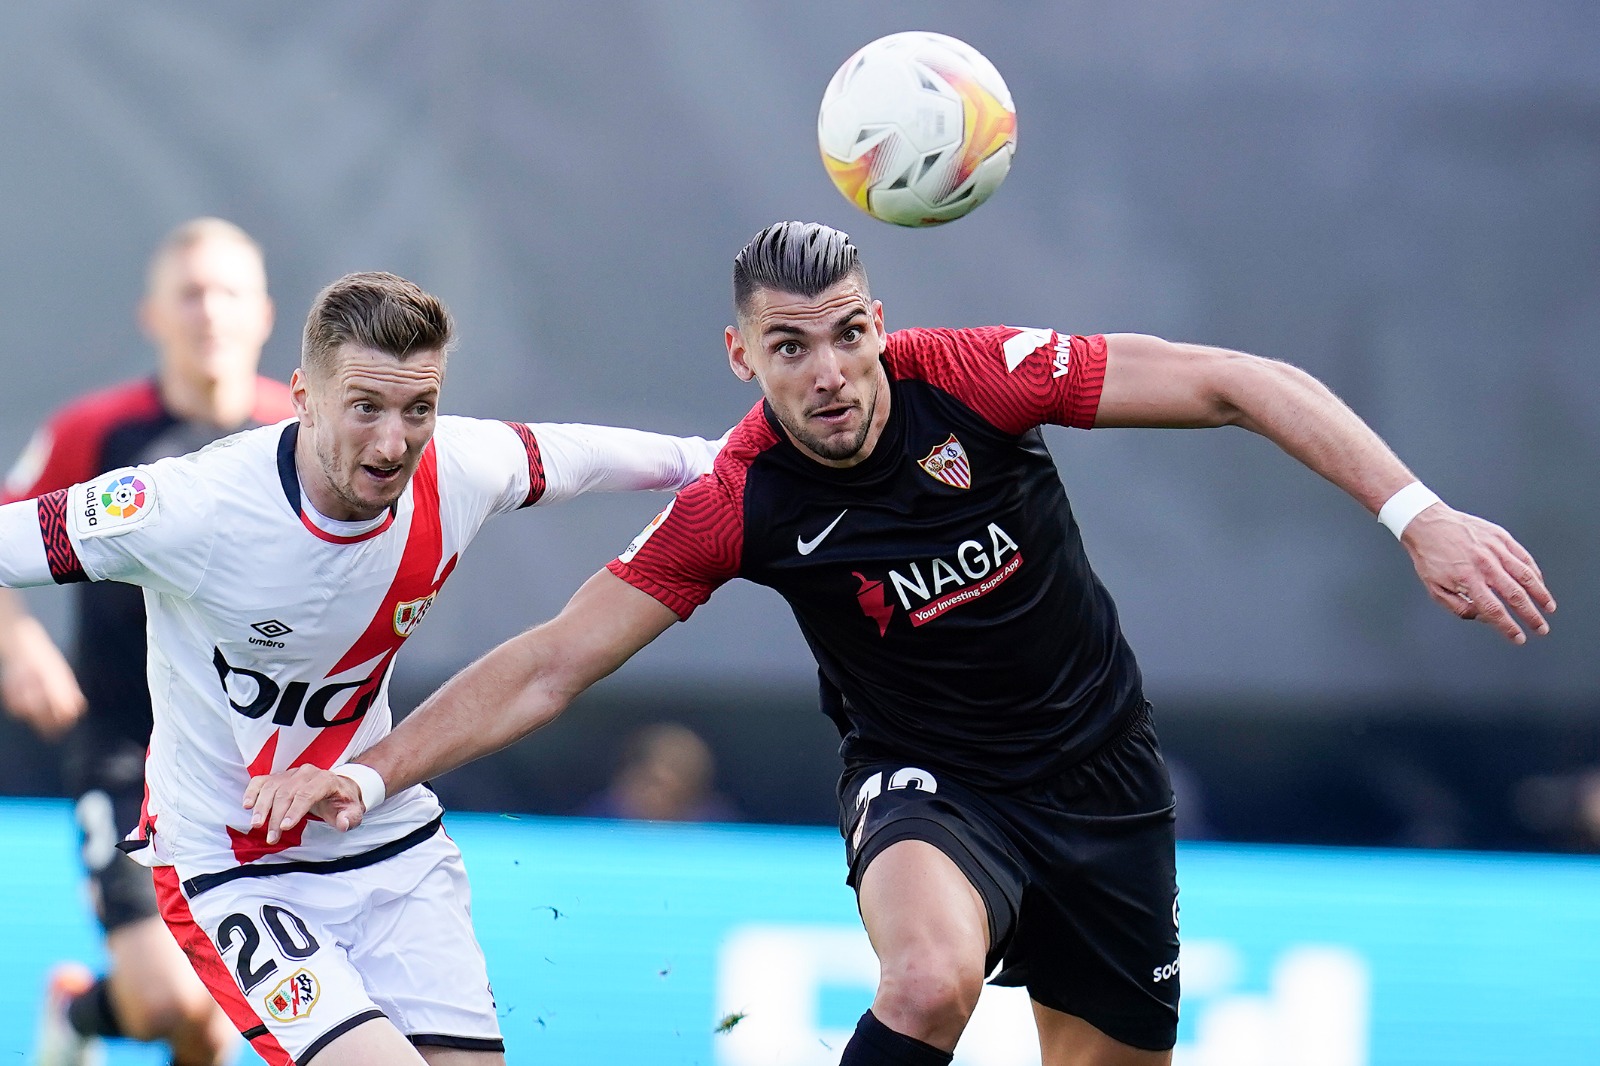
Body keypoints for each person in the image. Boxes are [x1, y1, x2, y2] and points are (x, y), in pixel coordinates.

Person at [244, 222, 1554, 1066]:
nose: (831, 372)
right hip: (930, 783)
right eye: (791, 347)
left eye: (851, 334)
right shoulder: (738, 497)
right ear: (742, 354)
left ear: (881, 323)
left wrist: (1416, 514)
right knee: (927, 978)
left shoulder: (977, 378)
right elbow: (550, 659)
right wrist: (366, 773)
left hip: (1106, 788)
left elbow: (1235, 381)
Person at [0, 269, 723, 1066]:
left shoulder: (463, 466)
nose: (393, 443)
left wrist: (727, 457)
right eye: (365, 407)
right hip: (235, 868)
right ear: (303, 395)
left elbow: (597, 457)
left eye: (419, 409)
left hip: (383, 843)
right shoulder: (190, 505)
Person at [1, 217, 287, 1066]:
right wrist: (17, 641)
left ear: (264, 313)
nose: (210, 312)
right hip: (129, 753)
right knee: (168, 998)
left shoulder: (297, 438)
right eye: (190, 294)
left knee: (216, 1019)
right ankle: (78, 1016)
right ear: (152, 316)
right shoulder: (98, 432)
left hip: (254, 767)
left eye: (228, 292)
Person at [577, 721, 740, 822]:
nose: (659, 799)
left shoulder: (719, 831)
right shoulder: (594, 823)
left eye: (676, 795)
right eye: (653, 784)